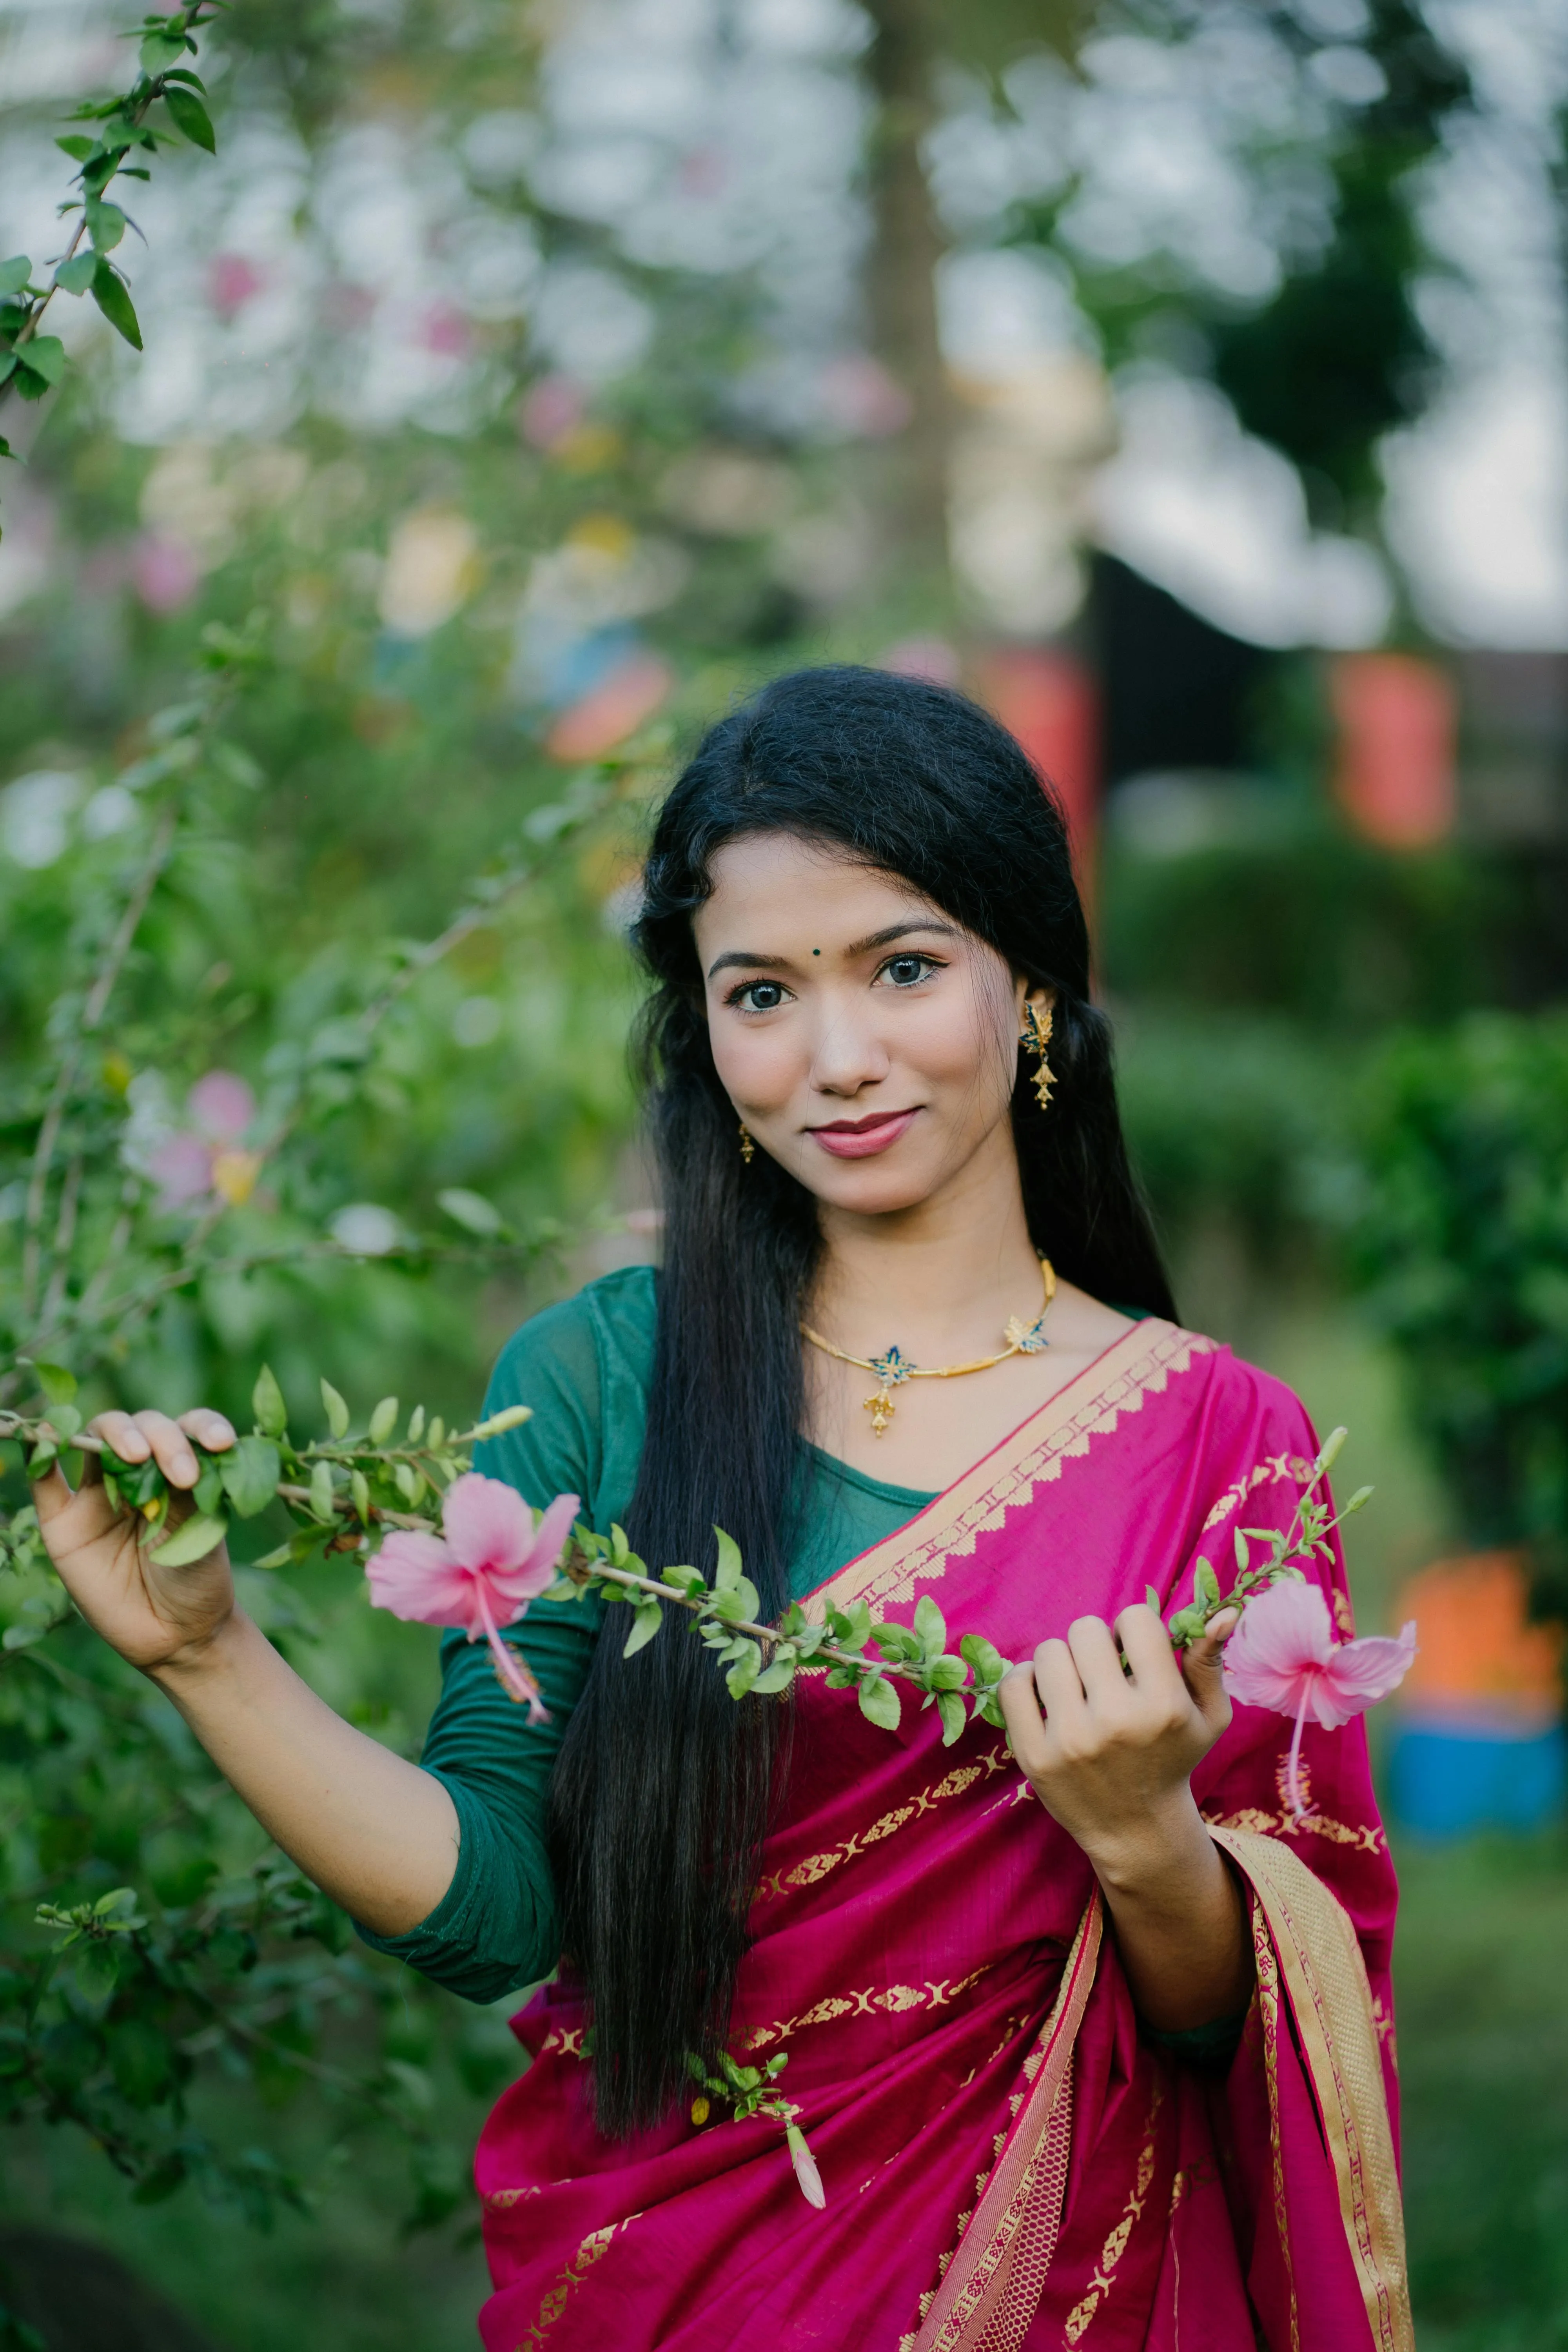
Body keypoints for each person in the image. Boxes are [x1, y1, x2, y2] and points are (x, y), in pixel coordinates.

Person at [34, 668, 1408, 2351]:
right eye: (762, 993)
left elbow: (1256, 2030)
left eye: (902, 969)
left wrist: (1144, 1840)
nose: (836, 1060)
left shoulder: (1222, 1447)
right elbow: (497, 1913)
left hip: (1067, 2290)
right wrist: (209, 1658)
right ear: (705, 1028)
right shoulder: (603, 1380)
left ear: (1031, 983)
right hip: (669, 2283)